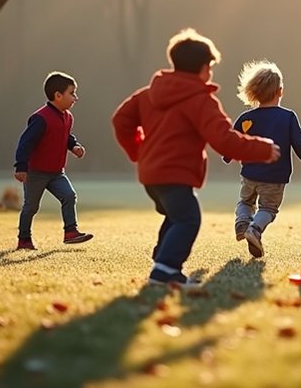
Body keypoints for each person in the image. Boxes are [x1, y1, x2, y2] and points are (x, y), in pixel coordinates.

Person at [112, 28, 280, 288]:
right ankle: (166, 271)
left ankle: (162, 260)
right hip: (175, 173)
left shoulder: (148, 94)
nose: (210, 72)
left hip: (150, 174)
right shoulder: (200, 100)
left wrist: (138, 151)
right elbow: (224, 139)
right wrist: (263, 149)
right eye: (210, 67)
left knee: (175, 215)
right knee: (188, 218)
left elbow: (121, 120)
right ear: (203, 68)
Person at [224, 60, 301, 258]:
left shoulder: (246, 118)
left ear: (254, 92)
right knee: (268, 208)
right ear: (280, 91)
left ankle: (242, 221)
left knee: (245, 201)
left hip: (249, 174)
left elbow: (232, 141)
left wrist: (228, 156)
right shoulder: (288, 117)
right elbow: (299, 144)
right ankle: (254, 229)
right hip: (275, 177)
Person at [14, 71, 93, 250]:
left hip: (57, 172)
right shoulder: (40, 118)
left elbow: (65, 136)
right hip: (36, 173)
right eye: (72, 93)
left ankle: (70, 232)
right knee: (31, 206)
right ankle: (24, 239)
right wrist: (21, 166)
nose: (76, 98)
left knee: (69, 195)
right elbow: (25, 143)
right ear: (58, 95)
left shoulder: (67, 117)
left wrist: (74, 146)